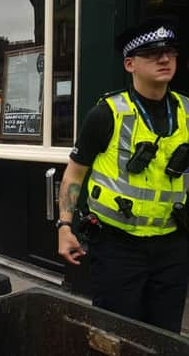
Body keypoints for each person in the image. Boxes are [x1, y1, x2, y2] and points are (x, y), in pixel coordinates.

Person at [57, 17, 189, 333]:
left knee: (164, 335)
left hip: (172, 245)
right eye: (152, 53)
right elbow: (74, 174)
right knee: (114, 334)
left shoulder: (186, 111)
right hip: (118, 247)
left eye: (170, 51)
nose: (165, 58)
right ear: (130, 63)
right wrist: (64, 224)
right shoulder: (106, 114)